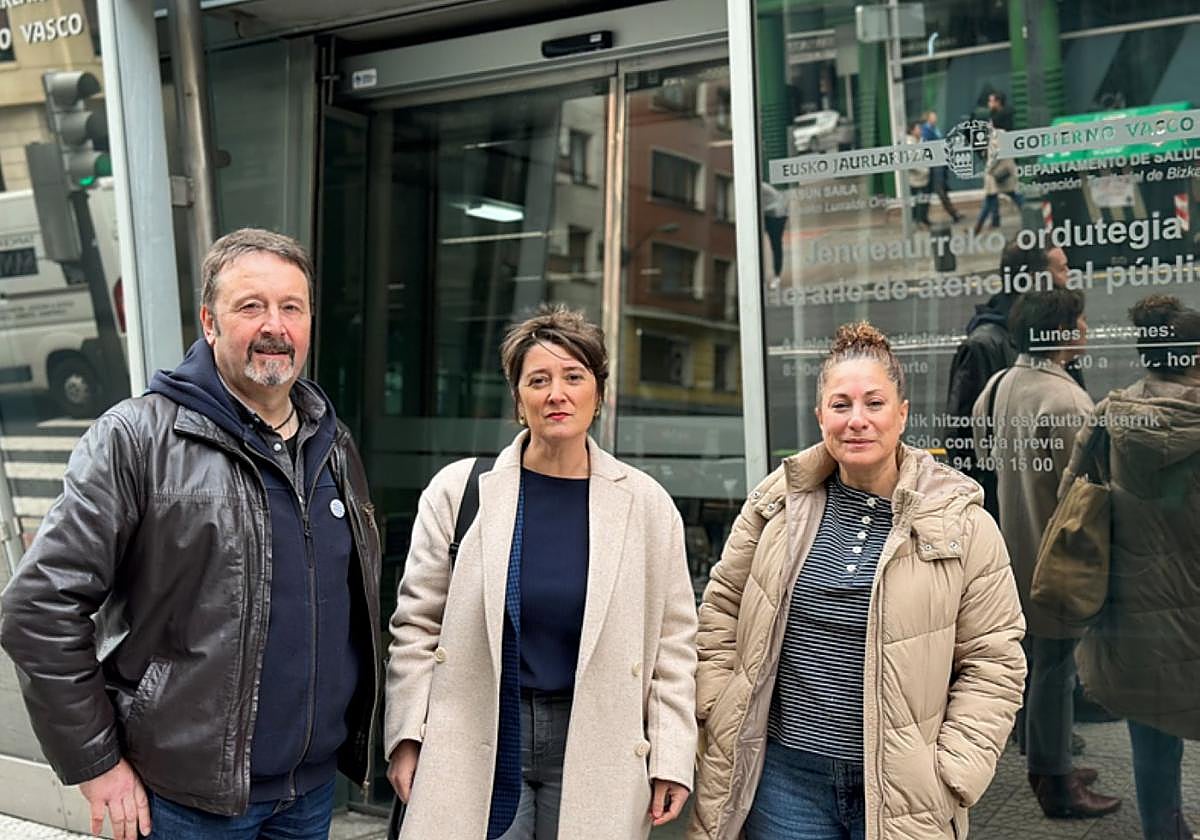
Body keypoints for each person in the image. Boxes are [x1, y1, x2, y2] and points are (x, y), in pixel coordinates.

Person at [0, 228, 381, 840]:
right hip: (183, 803)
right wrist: (96, 763)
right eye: (250, 306)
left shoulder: (331, 443)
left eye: (291, 307)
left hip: (309, 795)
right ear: (209, 321)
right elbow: (37, 611)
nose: (274, 326)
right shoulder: (137, 438)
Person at [689, 322, 1025, 840]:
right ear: (820, 414)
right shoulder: (775, 506)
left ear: (903, 413)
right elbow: (721, 610)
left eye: (874, 403)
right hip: (785, 779)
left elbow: (995, 660)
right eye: (841, 405)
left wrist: (954, 770)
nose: (857, 421)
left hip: (902, 787)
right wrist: (718, 707)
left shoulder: (961, 522)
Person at [384, 304, 697, 840]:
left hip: (595, 739)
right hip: (479, 733)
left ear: (598, 394)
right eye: (539, 380)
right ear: (518, 398)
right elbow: (416, 625)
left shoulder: (646, 505)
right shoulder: (461, 491)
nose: (557, 393)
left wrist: (671, 753)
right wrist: (407, 735)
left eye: (574, 377)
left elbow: (674, 645)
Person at [971, 289, 1121, 820]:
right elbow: (1089, 490)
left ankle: (1048, 761)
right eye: (1080, 320)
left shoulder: (999, 385)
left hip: (1012, 545)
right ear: (1060, 331)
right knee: (1056, 668)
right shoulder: (1070, 403)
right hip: (1056, 552)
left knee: (1040, 663)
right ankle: (1054, 781)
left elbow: (987, 457)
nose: (1085, 328)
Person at [1065, 295, 1200, 839]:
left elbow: (1070, 497)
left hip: (1137, 612)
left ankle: (1163, 832)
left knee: (1153, 741)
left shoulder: (1110, 416)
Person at [945, 241, 1067, 519]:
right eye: (1062, 269)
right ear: (1035, 280)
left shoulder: (1052, 337)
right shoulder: (985, 344)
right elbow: (961, 439)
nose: (1069, 277)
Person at [974, 95, 1023, 235]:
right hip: (1002, 170)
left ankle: (978, 229)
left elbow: (996, 153)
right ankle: (984, 226)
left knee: (1009, 196)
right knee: (992, 199)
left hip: (999, 171)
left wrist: (988, 169)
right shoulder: (1001, 131)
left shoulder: (998, 133)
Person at [920, 110, 963, 223]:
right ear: (928, 118)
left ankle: (953, 213)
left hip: (940, 163)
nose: (936, 118)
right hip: (934, 166)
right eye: (933, 116)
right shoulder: (926, 131)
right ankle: (953, 214)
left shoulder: (935, 129)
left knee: (939, 190)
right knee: (939, 191)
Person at [761, 182, 788, 289]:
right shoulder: (762, 187)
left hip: (776, 215)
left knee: (776, 245)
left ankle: (776, 277)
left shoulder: (761, 187)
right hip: (769, 213)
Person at [907, 121, 931, 227]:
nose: (920, 131)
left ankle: (924, 219)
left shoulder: (921, 141)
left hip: (924, 178)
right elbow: (910, 163)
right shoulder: (909, 144)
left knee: (925, 200)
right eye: (918, 129)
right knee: (915, 203)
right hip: (914, 179)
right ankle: (916, 222)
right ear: (912, 131)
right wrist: (922, 170)